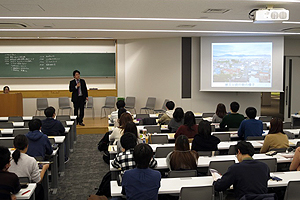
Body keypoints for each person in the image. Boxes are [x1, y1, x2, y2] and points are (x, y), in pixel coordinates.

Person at [9, 135, 49, 200]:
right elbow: (37, 180)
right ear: (27, 146)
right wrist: (44, 168)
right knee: (40, 188)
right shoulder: (31, 160)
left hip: (11, 190)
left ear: (14, 146)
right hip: (27, 189)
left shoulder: (8, 160)